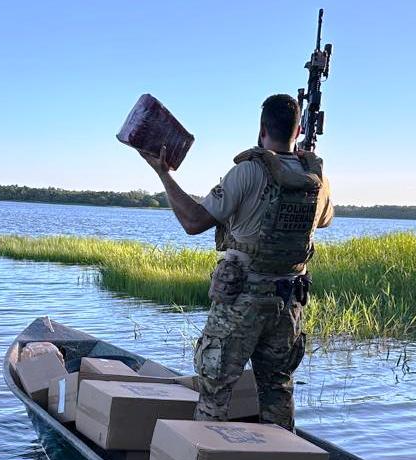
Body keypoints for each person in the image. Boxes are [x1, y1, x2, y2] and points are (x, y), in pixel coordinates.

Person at [139, 93, 333, 430]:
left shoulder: (248, 171)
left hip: (241, 299)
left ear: (261, 129)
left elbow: (193, 222)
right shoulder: (317, 179)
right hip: (288, 304)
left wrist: (163, 174)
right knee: (277, 390)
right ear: (299, 129)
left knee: (215, 391)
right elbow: (325, 220)